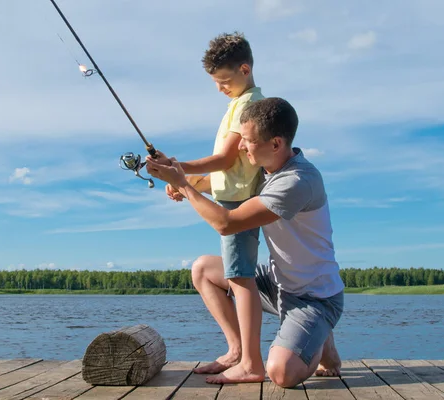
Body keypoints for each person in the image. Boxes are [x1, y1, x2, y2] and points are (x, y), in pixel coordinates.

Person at [145, 97, 345, 387]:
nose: (240, 146)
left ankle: (318, 338)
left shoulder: (297, 181)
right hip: (277, 283)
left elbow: (227, 223)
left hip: (314, 297)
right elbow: (222, 182)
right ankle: (241, 351)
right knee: (203, 269)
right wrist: (177, 172)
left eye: (247, 140)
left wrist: (185, 186)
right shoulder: (267, 169)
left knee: (282, 373)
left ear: (275, 144)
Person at [151, 32, 267, 381]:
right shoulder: (237, 103)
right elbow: (230, 170)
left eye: (224, 81)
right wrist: (186, 182)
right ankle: (237, 352)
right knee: (212, 272)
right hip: (230, 195)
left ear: (244, 69)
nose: (220, 88)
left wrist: (179, 169)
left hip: (239, 204)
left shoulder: (248, 105)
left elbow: (224, 158)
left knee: (240, 277)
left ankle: (250, 364)